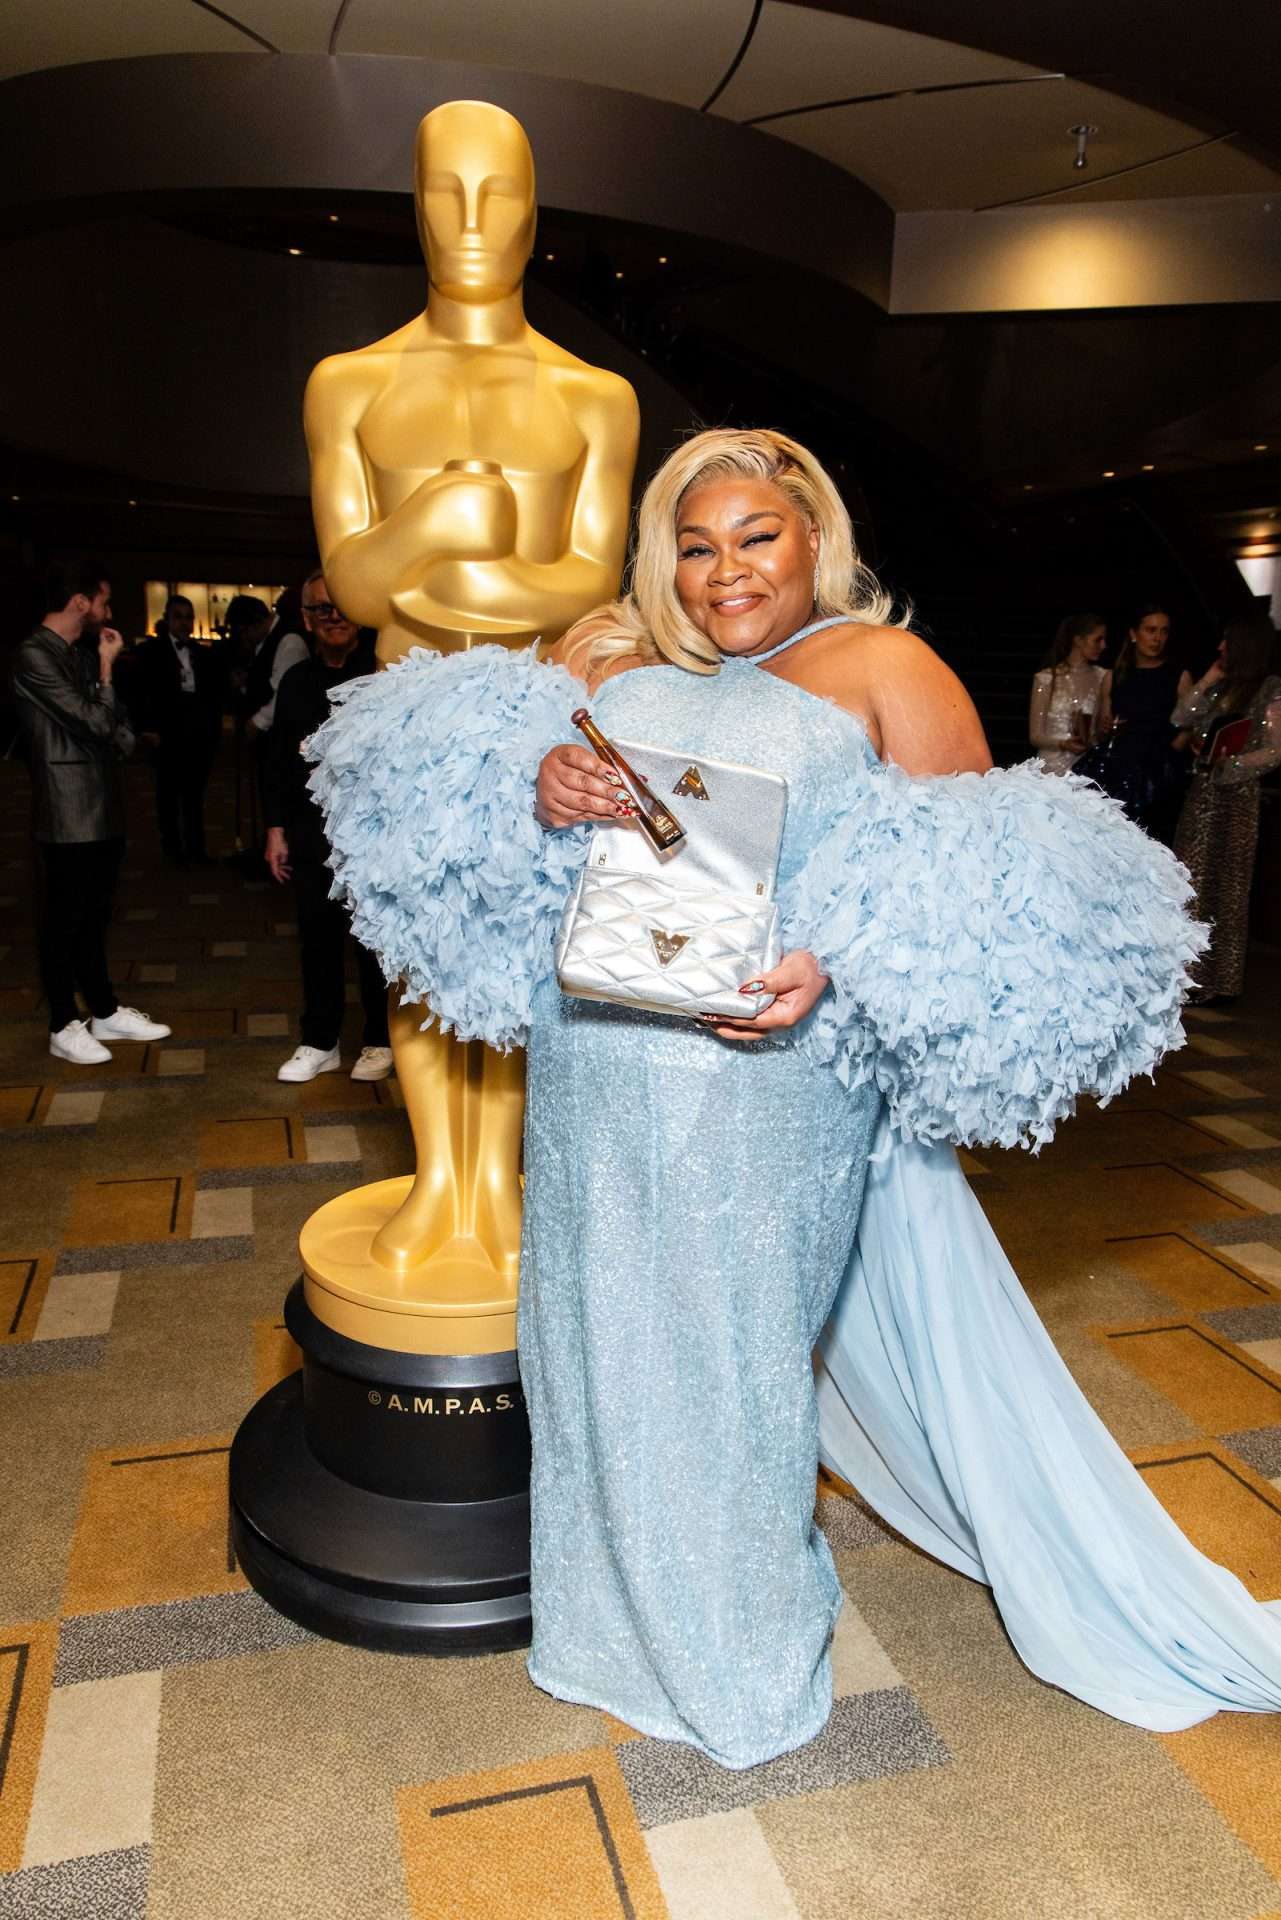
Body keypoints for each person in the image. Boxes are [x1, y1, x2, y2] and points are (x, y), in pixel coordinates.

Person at [308, 429, 1279, 1768]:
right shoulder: (611, 656)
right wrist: (546, 789)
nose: (726, 570)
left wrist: (836, 961)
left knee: (729, 1363)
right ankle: (602, 1636)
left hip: (770, 1084)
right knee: (588, 1343)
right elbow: (509, 854)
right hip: (595, 1066)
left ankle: (741, 1666)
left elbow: (977, 886)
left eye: (756, 536)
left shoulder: (884, 668)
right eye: (695, 546)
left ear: (814, 534)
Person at [11, 560, 171, 1064]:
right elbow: (95, 722)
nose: (108, 611)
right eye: (103, 601)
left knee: (96, 916)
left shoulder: (75, 653)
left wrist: (107, 710)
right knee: (64, 919)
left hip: (101, 802)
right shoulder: (34, 654)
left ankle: (102, 1010)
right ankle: (62, 1022)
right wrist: (106, 670)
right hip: (66, 810)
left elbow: (115, 725)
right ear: (79, 601)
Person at [263, 571, 391, 1083]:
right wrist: (275, 829)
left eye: (341, 607)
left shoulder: (383, 673)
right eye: (321, 609)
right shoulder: (296, 681)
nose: (333, 617)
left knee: (373, 941)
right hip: (310, 830)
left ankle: (379, 1039)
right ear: (306, 619)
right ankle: (320, 1041)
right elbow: (277, 761)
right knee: (316, 939)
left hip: (371, 832)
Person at [1172, 615, 1281, 1001]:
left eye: (1227, 642)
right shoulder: (1221, 686)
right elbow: (1179, 718)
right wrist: (1206, 681)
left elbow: (1274, 751)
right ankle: (1188, 976)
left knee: (1228, 886)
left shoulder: (1269, 689)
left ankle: (1222, 981)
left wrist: (1229, 762)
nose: (1220, 648)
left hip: (1237, 797)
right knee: (1191, 881)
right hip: (1202, 794)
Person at [133, 592, 227, 865]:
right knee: (168, 794)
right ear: (167, 620)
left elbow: (213, 695)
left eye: (188, 618)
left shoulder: (202, 654)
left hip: (197, 735)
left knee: (194, 796)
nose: (185, 623)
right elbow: (140, 693)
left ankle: (196, 850)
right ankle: (172, 850)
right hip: (166, 733)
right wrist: (147, 727)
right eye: (178, 617)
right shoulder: (151, 652)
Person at [1090, 602, 1192, 842]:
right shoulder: (1114, 676)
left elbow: (1189, 727)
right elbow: (1102, 730)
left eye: (1164, 631)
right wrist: (1105, 729)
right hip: (1118, 770)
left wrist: (1168, 756)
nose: (1157, 638)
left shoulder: (1178, 676)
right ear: (1134, 634)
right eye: (1151, 630)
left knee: (1155, 841)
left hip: (1159, 775)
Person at [1028, 612, 1107, 773]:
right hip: (1049, 769)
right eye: (1098, 640)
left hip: (1085, 766)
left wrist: (1099, 734)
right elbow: (1035, 735)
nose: (1103, 646)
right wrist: (1063, 744)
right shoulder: (1047, 678)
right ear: (1078, 640)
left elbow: (1098, 731)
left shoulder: (1102, 677)